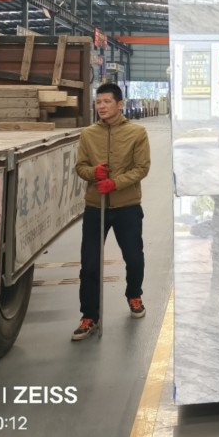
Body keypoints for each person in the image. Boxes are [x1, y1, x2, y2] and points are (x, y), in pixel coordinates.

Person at [72, 82, 151, 340]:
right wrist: (93, 173)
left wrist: (115, 183)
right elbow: (80, 167)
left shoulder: (137, 133)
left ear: (120, 104)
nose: (102, 106)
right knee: (89, 264)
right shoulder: (88, 135)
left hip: (127, 207)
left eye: (107, 102)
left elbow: (142, 168)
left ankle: (134, 295)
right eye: (98, 102)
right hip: (96, 207)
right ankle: (89, 316)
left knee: (134, 258)